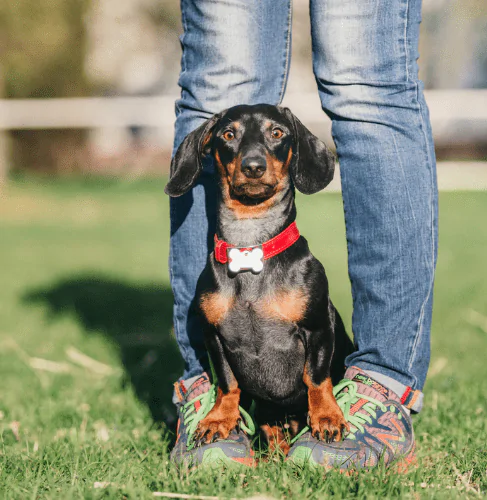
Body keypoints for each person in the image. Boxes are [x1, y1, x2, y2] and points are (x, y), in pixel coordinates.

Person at [168, 0, 437, 470]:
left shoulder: (304, 274)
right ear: (212, 153)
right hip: (229, 284)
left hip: (308, 361)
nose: (253, 160)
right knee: (218, 80)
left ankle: (379, 389)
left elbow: (318, 330)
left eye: (273, 137)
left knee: (368, 83)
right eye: (231, 140)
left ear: (291, 154)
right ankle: (212, 394)